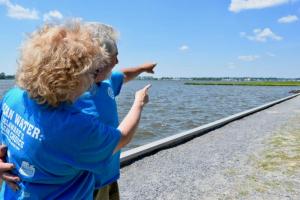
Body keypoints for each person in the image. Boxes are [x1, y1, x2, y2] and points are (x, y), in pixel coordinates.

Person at [0, 20, 150, 199]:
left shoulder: (14, 96)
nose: (92, 80)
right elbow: (122, 138)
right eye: (91, 72)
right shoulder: (74, 127)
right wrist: (139, 103)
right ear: (71, 78)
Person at [78, 22, 156, 200]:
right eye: (115, 56)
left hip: (109, 175)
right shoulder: (72, 96)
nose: (117, 61)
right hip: (87, 184)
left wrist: (143, 68)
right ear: (99, 61)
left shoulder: (104, 81)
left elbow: (123, 74)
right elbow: (119, 140)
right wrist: (138, 103)